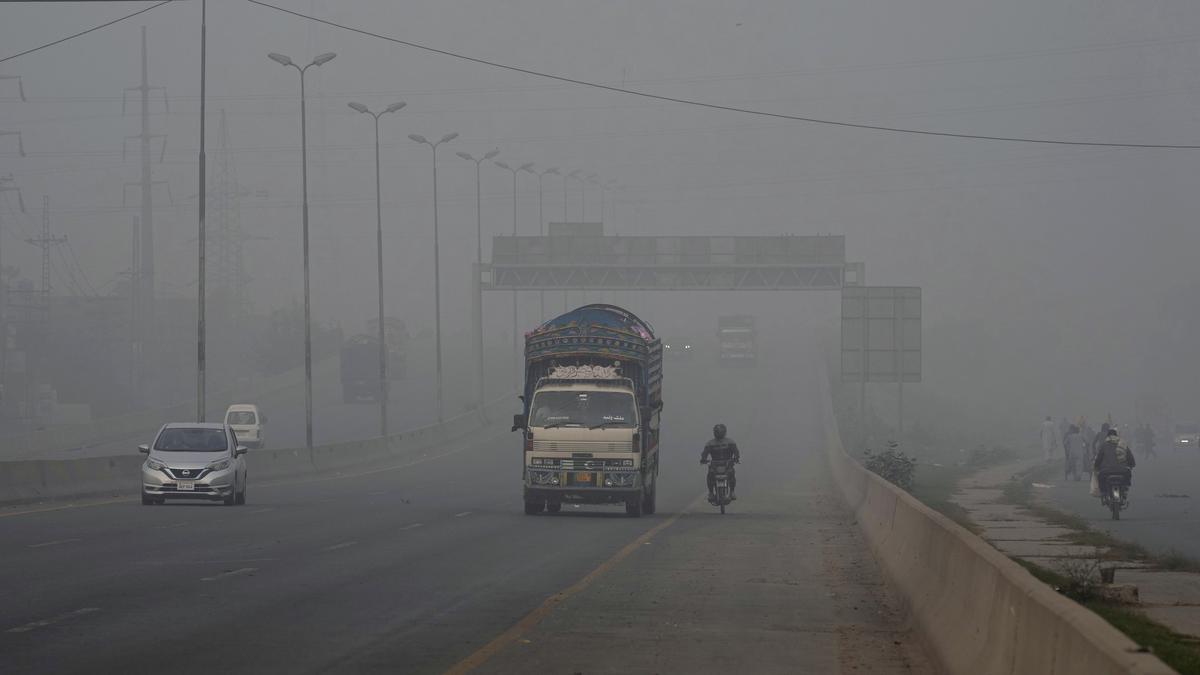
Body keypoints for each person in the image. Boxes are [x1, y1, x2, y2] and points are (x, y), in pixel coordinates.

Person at [701, 423, 741, 501]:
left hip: (728, 463)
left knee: (731, 475)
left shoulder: (730, 442)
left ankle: (732, 491)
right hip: (714, 464)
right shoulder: (710, 443)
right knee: (710, 476)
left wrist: (736, 458)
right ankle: (711, 493)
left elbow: (736, 452)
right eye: (717, 432)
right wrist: (703, 460)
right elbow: (705, 453)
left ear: (724, 432)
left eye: (720, 432)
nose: (719, 433)